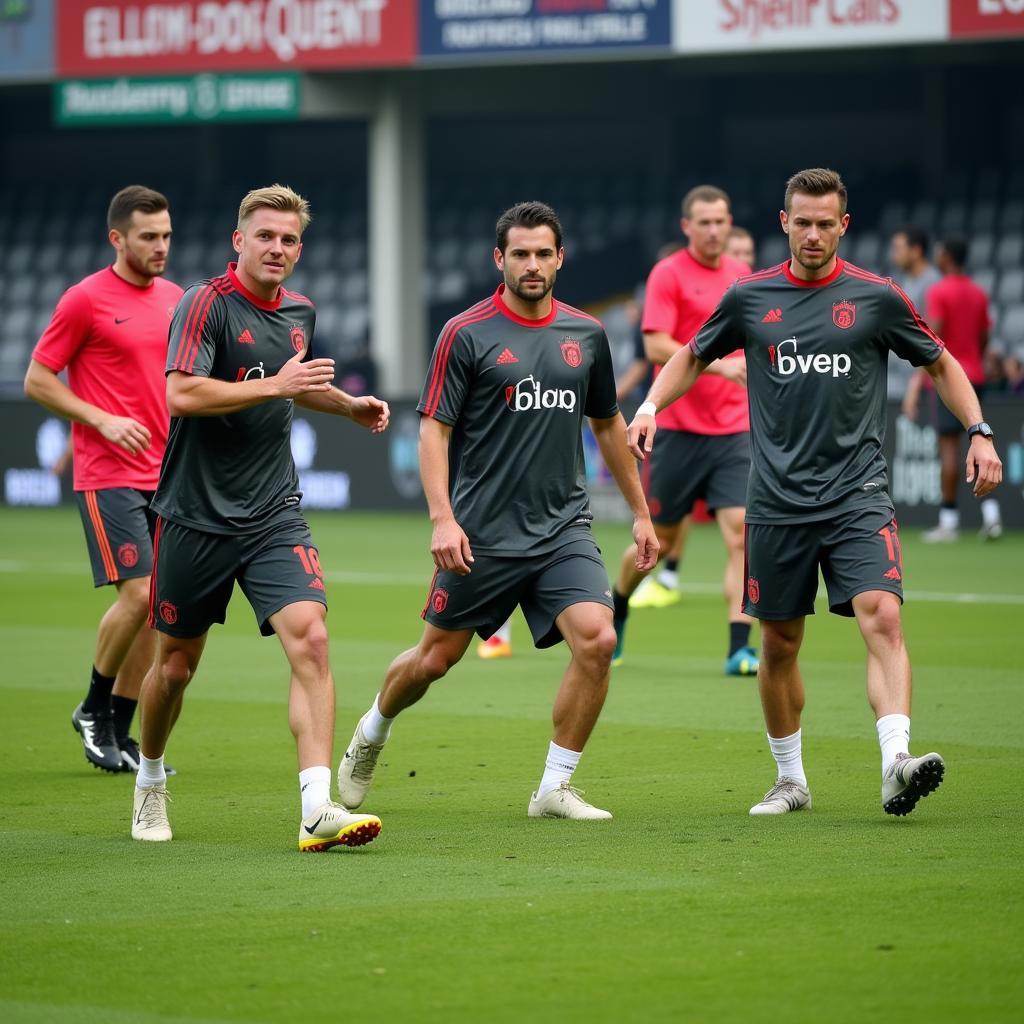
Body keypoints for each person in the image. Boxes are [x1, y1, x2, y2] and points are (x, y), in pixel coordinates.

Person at [627, 167, 1003, 817]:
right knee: (778, 645)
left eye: (826, 223)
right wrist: (652, 404)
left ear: (843, 226)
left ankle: (895, 762)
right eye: (802, 221)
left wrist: (979, 429)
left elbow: (940, 361)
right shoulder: (751, 296)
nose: (813, 234)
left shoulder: (876, 296)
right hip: (776, 502)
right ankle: (791, 779)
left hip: (858, 494)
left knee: (882, 616)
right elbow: (689, 352)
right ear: (784, 222)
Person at [336, 201, 658, 821]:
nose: (532, 265)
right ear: (499, 259)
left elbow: (609, 425)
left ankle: (553, 788)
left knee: (597, 640)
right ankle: (372, 729)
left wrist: (641, 513)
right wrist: (442, 518)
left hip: (563, 528)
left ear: (561, 258)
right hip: (482, 534)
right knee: (434, 661)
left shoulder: (585, 335)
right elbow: (434, 430)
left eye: (543, 254)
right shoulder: (466, 333)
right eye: (520, 254)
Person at [131, 184, 390, 852]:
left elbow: (296, 382)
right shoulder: (205, 304)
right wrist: (274, 385)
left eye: (289, 239)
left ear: (300, 249)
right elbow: (181, 393)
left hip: (275, 513)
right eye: (265, 236)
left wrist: (348, 405)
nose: (277, 248)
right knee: (175, 670)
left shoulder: (300, 310)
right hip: (195, 517)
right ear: (238, 240)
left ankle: (316, 807)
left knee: (312, 639)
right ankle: (151, 779)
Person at [24, 185, 182, 775]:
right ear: (117, 238)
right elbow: (38, 380)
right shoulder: (84, 300)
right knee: (138, 593)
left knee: (160, 607)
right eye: (149, 237)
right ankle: (93, 707)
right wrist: (101, 419)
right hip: (107, 471)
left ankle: (118, 724)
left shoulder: (173, 297)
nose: (161, 246)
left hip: (167, 475)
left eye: (166, 234)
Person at [611, 186, 757, 677]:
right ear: (687, 226)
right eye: (705, 222)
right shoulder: (668, 274)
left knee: (741, 536)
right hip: (675, 429)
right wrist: (721, 369)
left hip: (734, 430)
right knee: (661, 543)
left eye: (722, 221)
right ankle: (619, 604)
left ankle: (740, 647)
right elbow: (655, 347)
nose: (714, 230)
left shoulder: (742, 278)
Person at [903, 237, 1003, 541]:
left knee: (949, 450)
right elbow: (985, 335)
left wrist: (918, 381)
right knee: (981, 445)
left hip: (950, 379)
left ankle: (948, 520)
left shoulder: (939, 291)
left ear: (946, 258)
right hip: (977, 377)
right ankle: (991, 515)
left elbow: (930, 340)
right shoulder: (979, 293)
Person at [888, 226, 941, 400]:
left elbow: (933, 337)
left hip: (919, 378)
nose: (893, 255)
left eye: (898, 249)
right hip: (900, 371)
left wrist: (917, 379)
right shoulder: (904, 280)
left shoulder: (933, 283)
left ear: (916, 250)